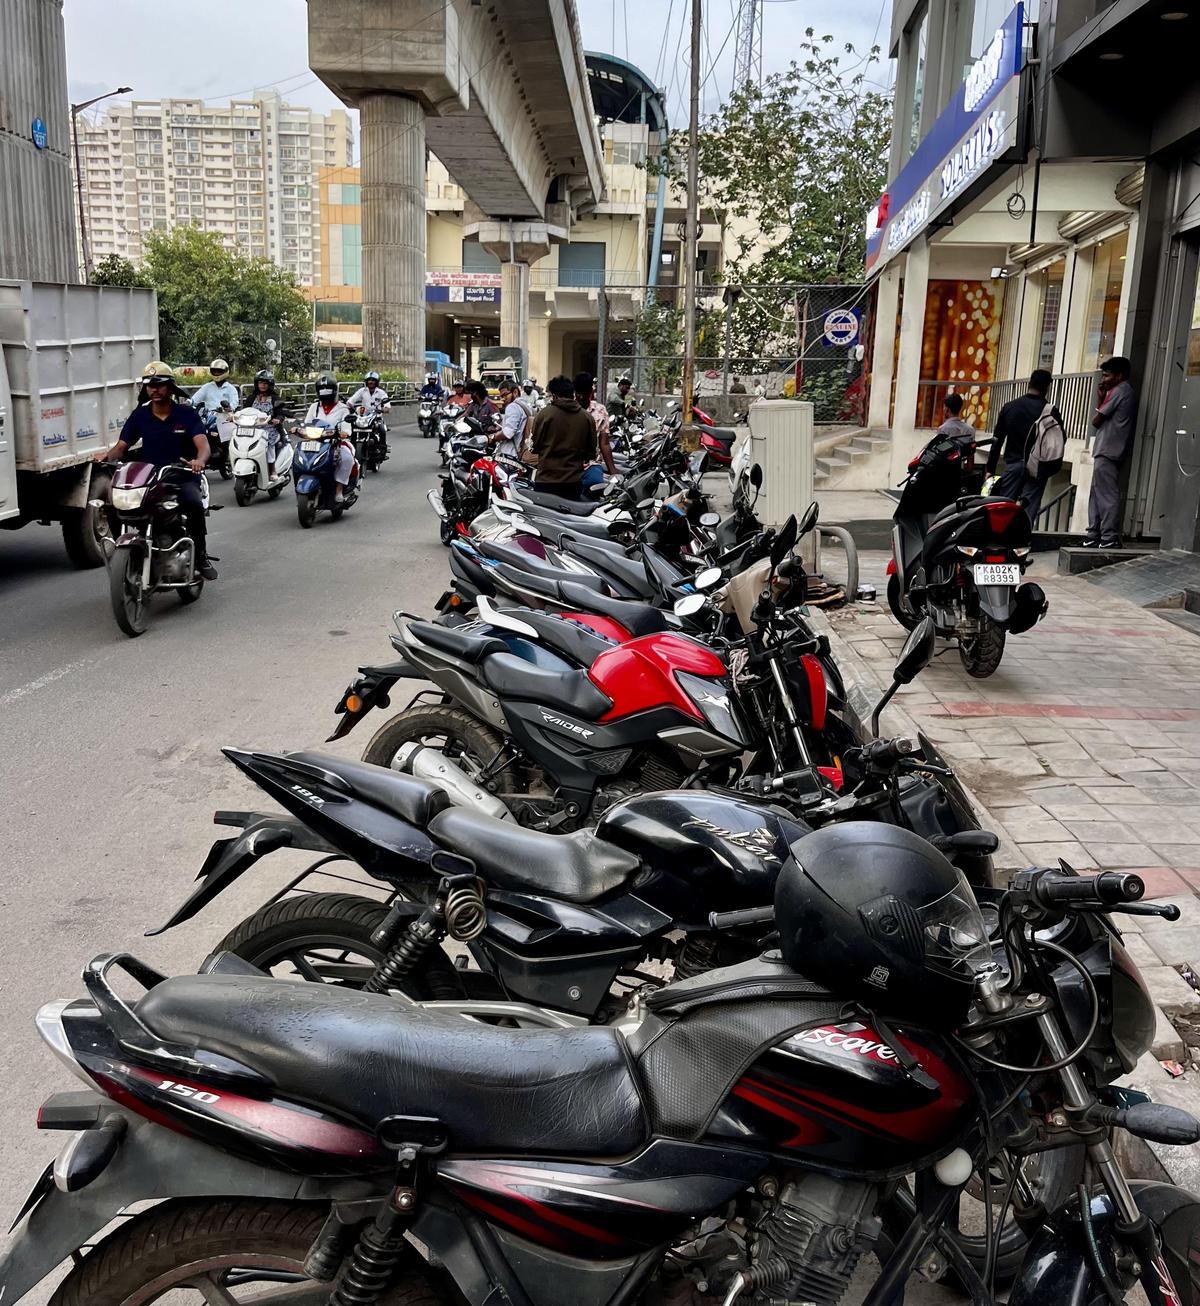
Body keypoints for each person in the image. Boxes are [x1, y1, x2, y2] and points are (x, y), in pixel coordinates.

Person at [97, 361, 217, 580]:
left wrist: (199, 461)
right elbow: (121, 447)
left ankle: (200, 555)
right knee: (114, 505)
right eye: (149, 385)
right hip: (149, 478)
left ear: (170, 387)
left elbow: (203, 445)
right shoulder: (140, 416)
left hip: (181, 476)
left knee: (194, 503)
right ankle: (121, 550)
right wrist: (107, 457)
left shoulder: (186, 414)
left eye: (159, 384)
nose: (154, 389)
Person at [985, 369, 1064, 523]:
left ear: (1029, 383)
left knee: (1005, 506)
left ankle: (1002, 540)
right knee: (1029, 508)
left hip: (1014, 464)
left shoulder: (1010, 407)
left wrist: (990, 469)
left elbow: (997, 441)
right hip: (1037, 467)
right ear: (1048, 387)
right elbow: (1059, 440)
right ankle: (1022, 541)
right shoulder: (1050, 411)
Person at [1084, 356, 1136, 548]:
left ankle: (1107, 537)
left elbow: (1096, 420)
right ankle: (1095, 534)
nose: (1104, 379)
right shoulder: (1121, 391)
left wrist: (1100, 397)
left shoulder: (1120, 391)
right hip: (1108, 449)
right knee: (1097, 494)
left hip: (1109, 449)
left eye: (1107, 375)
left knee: (1105, 495)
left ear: (1119, 375)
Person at [530, 374, 597, 500]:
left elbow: (534, 447)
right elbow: (591, 453)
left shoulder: (544, 415)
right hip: (573, 483)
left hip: (546, 481)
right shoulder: (587, 417)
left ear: (554, 395)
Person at [303, 373, 355, 505]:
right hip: (316, 442)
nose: (325, 393)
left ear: (334, 390)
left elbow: (346, 428)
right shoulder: (314, 408)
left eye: (328, 389)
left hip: (337, 443)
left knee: (347, 458)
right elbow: (307, 423)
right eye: (322, 390)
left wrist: (343, 433)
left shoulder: (343, 408)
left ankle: (339, 489)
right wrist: (299, 430)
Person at [575, 371, 617, 490]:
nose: (581, 397)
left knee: (595, 485)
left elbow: (604, 444)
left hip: (591, 464)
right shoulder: (568, 409)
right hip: (569, 463)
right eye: (578, 394)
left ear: (591, 392)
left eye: (584, 393)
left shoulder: (600, 411)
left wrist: (613, 471)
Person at [245, 369, 288, 478]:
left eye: (265, 383)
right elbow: (244, 411)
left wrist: (278, 419)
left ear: (270, 385)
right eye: (260, 383)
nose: (263, 385)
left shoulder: (274, 398)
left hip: (269, 429)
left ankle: (272, 469)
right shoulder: (251, 398)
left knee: (268, 442)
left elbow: (281, 413)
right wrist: (234, 416)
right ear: (256, 384)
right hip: (252, 428)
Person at [346, 371, 391, 455]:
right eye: (369, 380)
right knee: (352, 427)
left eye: (373, 380)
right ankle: (351, 448)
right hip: (363, 417)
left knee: (382, 429)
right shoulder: (362, 391)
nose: (371, 382)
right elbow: (351, 401)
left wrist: (384, 409)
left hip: (376, 417)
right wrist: (349, 406)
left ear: (376, 382)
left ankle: (382, 449)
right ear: (366, 381)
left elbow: (387, 406)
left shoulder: (381, 393)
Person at [493, 379, 532, 462]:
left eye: (505, 395)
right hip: (523, 451)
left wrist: (492, 437)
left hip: (510, 455)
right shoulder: (526, 405)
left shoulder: (512, 406)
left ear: (515, 392)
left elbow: (508, 433)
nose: (503, 399)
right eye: (501, 396)